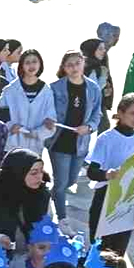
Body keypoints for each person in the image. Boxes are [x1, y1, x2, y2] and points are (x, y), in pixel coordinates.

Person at [86, 94, 134, 254]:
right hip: (106, 197)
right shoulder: (106, 138)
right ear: (120, 113)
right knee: (100, 248)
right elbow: (92, 172)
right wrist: (108, 174)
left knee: (119, 250)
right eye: (133, 113)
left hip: (128, 199)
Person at [49, 50, 102, 230]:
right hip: (60, 140)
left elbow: (97, 114)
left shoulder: (93, 88)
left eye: (77, 64)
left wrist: (89, 128)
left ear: (83, 64)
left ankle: (50, 196)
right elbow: (47, 111)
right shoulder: (55, 87)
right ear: (64, 68)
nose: (74, 68)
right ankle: (62, 220)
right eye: (69, 65)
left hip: (80, 143)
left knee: (71, 181)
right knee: (62, 183)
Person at [0, 149, 56, 252]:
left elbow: (49, 228)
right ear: (18, 173)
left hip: (32, 261)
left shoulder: (44, 197)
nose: (39, 177)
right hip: (0, 261)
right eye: (33, 173)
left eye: (41, 171)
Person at [0, 49, 56, 155]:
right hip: (11, 146)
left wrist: (38, 133)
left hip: (35, 147)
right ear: (22, 66)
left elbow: (50, 118)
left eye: (34, 61)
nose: (31, 65)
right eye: (27, 62)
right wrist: (10, 126)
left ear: (40, 64)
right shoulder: (10, 90)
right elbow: (0, 113)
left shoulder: (46, 91)